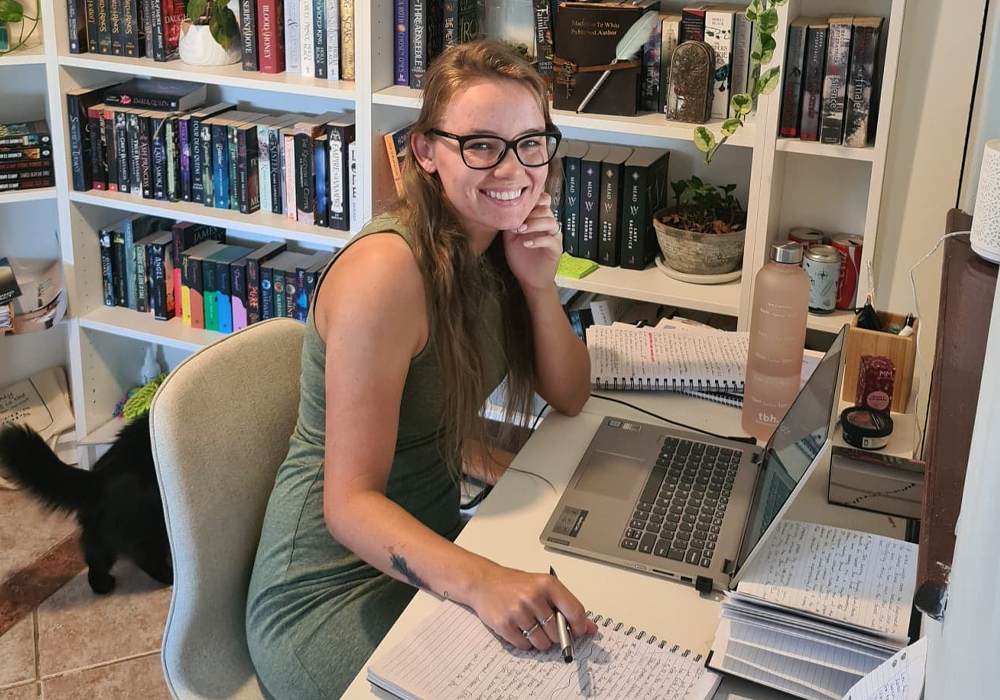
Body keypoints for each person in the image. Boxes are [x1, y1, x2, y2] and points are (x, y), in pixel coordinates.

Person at [246, 39, 597, 700]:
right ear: (426, 152)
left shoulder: (499, 246)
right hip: (331, 593)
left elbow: (571, 395)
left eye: (531, 142)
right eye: (482, 144)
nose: (514, 168)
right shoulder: (387, 274)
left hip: (429, 555)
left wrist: (540, 286)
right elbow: (348, 506)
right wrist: (483, 579)